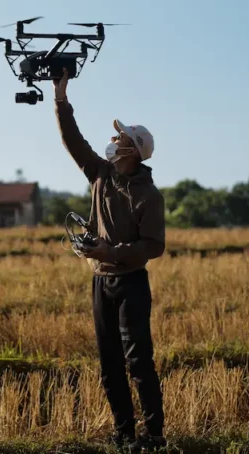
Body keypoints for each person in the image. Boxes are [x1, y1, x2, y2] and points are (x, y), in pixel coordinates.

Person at [53, 67, 167, 453]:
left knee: (139, 363)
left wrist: (110, 252)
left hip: (131, 283)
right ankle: (123, 435)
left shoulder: (149, 196)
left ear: (132, 151)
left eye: (119, 138)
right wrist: (60, 97)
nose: (112, 140)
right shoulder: (100, 174)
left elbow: (153, 246)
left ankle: (153, 437)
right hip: (101, 282)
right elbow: (73, 141)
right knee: (109, 367)